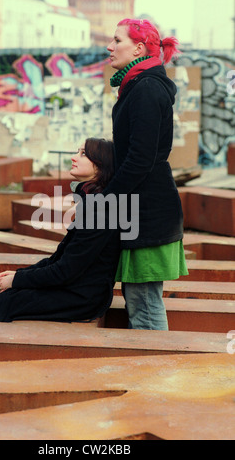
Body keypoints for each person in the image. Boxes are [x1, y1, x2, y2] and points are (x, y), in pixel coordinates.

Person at [0, 138, 120, 323]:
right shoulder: (92, 203)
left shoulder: (99, 211)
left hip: (82, 298)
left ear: (100, 166)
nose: (73, 157)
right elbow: (58, 260)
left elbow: (65, 271)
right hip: (74, 290)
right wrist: (17, 276)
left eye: (83, 153)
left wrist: (17, 280)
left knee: (1, 305)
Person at [104, 18, 188, 330]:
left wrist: (105, 201)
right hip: (144, 210)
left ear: (138, 48)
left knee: (146, 308)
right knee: (140, 302)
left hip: (149, 214)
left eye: (117, 40)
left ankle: (158, 374)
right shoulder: (139, 86)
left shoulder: (147, 89)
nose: (109, 47)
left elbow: (140, 159)